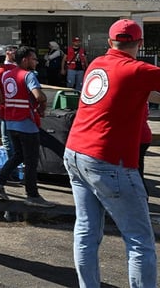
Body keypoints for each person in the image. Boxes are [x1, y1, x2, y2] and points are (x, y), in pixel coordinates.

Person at [63, 19, 159, 287]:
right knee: (140, 240)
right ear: (139, 45)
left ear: (110, 43)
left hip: (75, 152)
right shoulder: (139, 70)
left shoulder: (97, 64)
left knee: (86, 230)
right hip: (108, 160)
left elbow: (132, 92)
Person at [0, 46, 55, 208]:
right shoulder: (28, 75)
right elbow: (39, 96)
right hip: (27, 123)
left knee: (18, 155)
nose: (36, 62)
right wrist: (43, 104)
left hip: (10, 122)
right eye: (33, 59)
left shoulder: (6, 75)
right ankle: (32, 195)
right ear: (25, 60)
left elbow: (2, 97)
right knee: (31, 160)